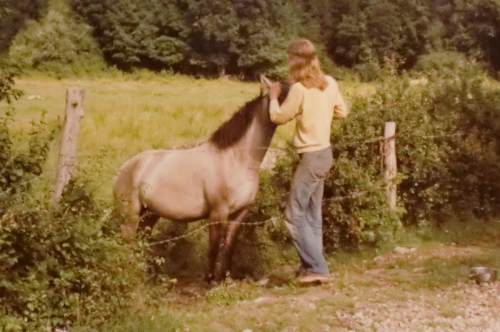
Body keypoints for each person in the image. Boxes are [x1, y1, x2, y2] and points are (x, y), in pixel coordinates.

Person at [268, 39, 348, 284]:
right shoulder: (330, 84)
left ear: (298, 61)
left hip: (311, 157)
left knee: (293, 214)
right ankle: (311, 267)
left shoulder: (300, 90)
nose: (289, 62)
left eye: (291, 58)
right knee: (312, 214)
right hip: (325, 153)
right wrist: (321, 113)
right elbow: (342, 112)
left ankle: (317, 268)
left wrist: (273, 96)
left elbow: (278, 117)